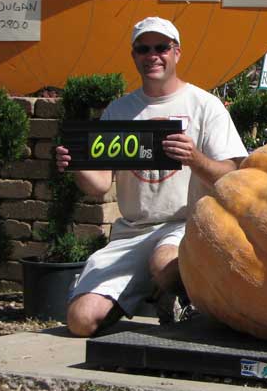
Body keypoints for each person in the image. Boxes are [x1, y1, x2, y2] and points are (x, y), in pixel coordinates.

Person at [55, 17, 248, 337]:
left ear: (177, 53)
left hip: (186, 224)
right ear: (134, 56)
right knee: (80, 321)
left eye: (161, 47)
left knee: (163, 262)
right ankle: (144, 294)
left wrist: (194, 159)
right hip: (132, 232)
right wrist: (77, 165)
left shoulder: (205, 106)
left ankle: (183, 302)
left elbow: (234, 176)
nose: (152, 55)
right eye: (143, 49)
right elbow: (100, 185)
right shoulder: (119, 111)